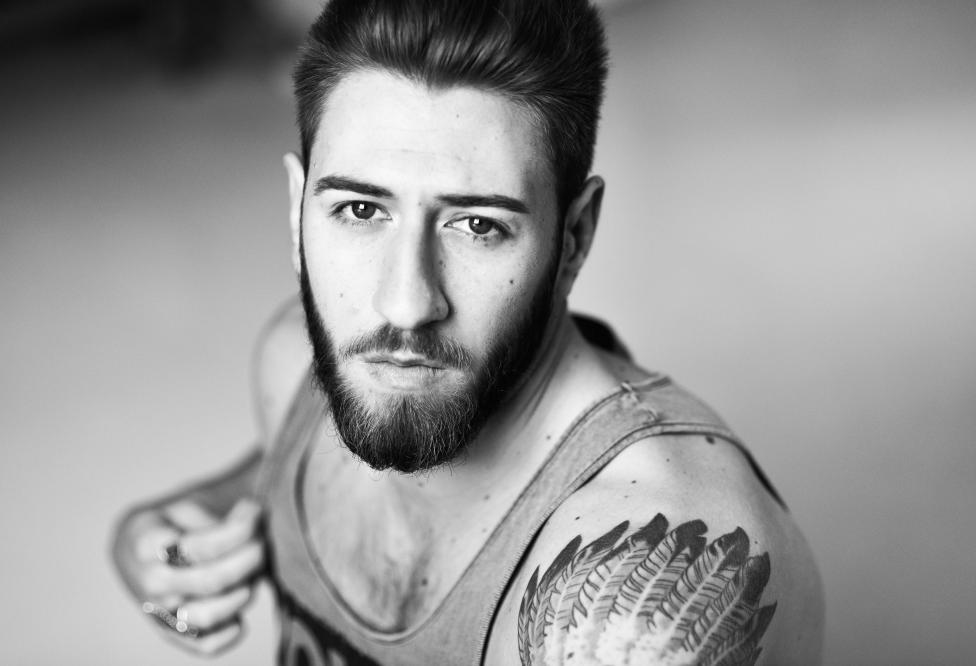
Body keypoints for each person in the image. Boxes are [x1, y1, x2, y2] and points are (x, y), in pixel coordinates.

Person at [111, 0, 824, 663]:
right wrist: (162, 544)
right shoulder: (294, 362)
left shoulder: (622, 610)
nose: (405, 305)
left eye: (479, 225)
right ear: (298, 210)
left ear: (574, 237)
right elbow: (272, 474)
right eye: (361, 210)